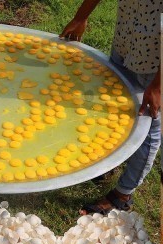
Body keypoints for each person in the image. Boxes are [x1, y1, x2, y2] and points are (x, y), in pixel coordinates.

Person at [60, 0, 161, 215]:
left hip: (155, 59)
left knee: (148, 123)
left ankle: (123, 193)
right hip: (127, 34)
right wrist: (81, 16)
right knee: (111, 101)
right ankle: (108, 160)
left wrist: (159, 85)